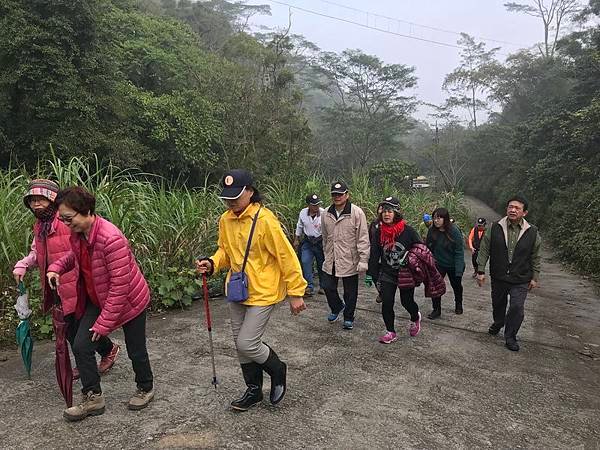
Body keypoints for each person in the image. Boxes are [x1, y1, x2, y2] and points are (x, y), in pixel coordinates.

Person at [196, 169, 306, 412]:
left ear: (250, 192)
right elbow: (225, 250)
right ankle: (254, 391)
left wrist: (295, 291)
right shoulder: (226, 219)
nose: (231, 201)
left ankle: (277, 369)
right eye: (227, 197)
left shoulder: (265, 221)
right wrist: (213, 263)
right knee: (239, 343)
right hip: (237, 289)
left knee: (247, 343)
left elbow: (286, 257)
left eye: (236, 196)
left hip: (263, 291)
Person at [46, 187, 154, 421]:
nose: (65, 224)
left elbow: (120, 287)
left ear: (85, 211)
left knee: (136, 351)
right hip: (98, 297)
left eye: (68, 218)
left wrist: (104, 324)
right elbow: (73, 257)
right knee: (81, 344)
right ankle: (93, 397)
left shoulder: (111, 238)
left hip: (129, 301)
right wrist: (55, 268)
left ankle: (145, 387)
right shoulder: (78, 234)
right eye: (62, 219)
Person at [13, 179, 119, 381]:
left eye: (41, 200)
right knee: (69, 328)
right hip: (57, 285)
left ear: (52, 200)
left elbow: (80, 249)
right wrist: (24, 263)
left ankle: (107, 350)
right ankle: (92, 360)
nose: (36, 205)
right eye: (32, 201)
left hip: (75, 284)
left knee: (79, 328)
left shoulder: (66, 222)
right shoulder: (40, 226)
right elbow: (37, 251)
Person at [476, 196, 541, 352]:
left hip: (521, 277)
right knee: (498, 304)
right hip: (499, 275)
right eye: (510, 207)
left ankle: (510, 336)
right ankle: (498, 322)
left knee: (517, 307)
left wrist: (535, 276)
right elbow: (485, 248)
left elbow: (535, 255)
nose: (513, 210)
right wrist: (480, 270)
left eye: (517, 208)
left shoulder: (532, 231)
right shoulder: (495, 227)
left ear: (524, 212)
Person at [366, 197, 422, 344]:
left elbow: (421, 250)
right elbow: (375, 254)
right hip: (387, 273)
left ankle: (415, 317)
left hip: (405, 273)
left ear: (396, 213)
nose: (386, 214)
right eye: (384, 211)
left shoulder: (408, 231)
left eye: (390, 211)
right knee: (387, 302)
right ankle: (390, 331)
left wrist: (410, 258)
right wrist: (370, 273)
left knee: (406, 301)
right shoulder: (379, 232)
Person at [321, 181, 370, 330]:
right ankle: (336, 307)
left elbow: (362, 237)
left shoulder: (356, 212)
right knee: (327, 286)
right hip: (332, 257)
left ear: (347, 195)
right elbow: (324, 236)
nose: (337, 197)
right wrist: (326, 252)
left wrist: (363, 259)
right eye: (334, 194)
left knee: (350, 292)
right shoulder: (326, 213)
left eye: (340, 194)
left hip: (350, 258)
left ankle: (348, 317)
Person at [425, 207, 465, 319]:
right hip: (438, 263)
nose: (436, 220)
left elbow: (459, 252)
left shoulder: (454, 231)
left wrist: (459, 270)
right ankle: (436, 309)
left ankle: (458, 303)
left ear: (445, 219)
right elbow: (427, 248)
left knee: (456, 285)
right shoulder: (432, 231)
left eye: (439, 218)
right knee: (435, 286)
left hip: (453, 264)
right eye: (434, 218)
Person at [293, 194, 326, 297]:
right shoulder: (303, 213)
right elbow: (299, 226)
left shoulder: (324, 213)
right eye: (314, 205)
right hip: (308, 241)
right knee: (305, 261)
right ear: (309, 205)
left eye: (318, 204)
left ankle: (323, 286)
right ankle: (309, 287)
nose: (316, 207)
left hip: (320, 241)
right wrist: (296, 239)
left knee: (322, 264)